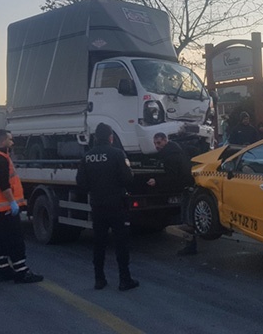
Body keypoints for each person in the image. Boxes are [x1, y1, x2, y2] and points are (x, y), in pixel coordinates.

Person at [76, 123, 139, 290]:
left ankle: (99, 279)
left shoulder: (87, 157)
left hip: (97, 205)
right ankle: (124, 280)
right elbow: (128, 179)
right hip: (117, 205)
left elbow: (81, 184)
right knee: (121, 243)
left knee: (99, 243)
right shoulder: (117, 154)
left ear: (96, 138)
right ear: (111, 138)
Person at [0, 130, 43, 284]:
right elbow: (4, 184)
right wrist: (12, 202)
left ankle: (3, 270)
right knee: (15, 240)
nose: (13, 142)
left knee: (1, 240)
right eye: (10, 139)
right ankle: (21, 271)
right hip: (5, 208)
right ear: (2, 140)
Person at [147, 133, 197, 255]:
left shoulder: (170, 156)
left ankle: (191, 245)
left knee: (186, 220)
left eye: (159, 143)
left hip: (184, 187)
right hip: (190, 185)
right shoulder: (177, 149)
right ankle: (192, 244)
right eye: (155, 143)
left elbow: (172, 177)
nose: (157, 146)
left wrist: (157, 181)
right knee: (189, 217)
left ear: (165, 141)